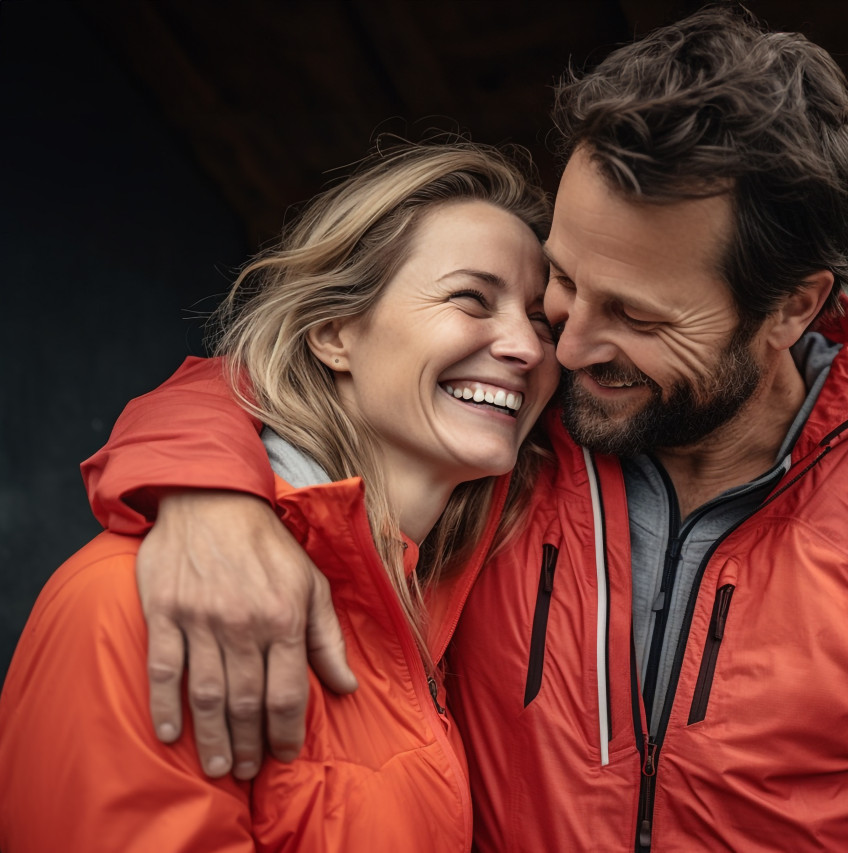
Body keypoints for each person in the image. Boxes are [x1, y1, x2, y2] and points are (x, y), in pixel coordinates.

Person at [74, 8, 848, 851]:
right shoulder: (496, 446)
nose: (566, 339)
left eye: (637, 315)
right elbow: (274, 378)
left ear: (790, 308)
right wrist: (209, 491)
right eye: (563, 276)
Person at [0, 142, 561, 851]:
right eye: (470, 299)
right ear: (333, 332)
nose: (526, 347)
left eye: (542, 320)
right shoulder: (151, 602)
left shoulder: (434, 611)